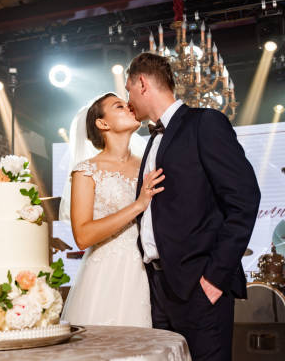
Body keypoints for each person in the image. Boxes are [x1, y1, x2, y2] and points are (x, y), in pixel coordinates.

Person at [126, 52, 261, 360]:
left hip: (199, 288)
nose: (128, 98)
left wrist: (214, 278)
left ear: (143, 83)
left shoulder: (205, 123)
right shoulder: (151, 141)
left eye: (129, 89)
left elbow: (244, 200)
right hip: (158, 288)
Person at [60, 93, 164, 327]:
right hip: (108, 274)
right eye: (119, 106)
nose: (129, 108)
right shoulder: (86, 171)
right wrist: (138, 205)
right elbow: (83, 236)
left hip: (151, 274)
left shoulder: (149, 164)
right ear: (102, 123)